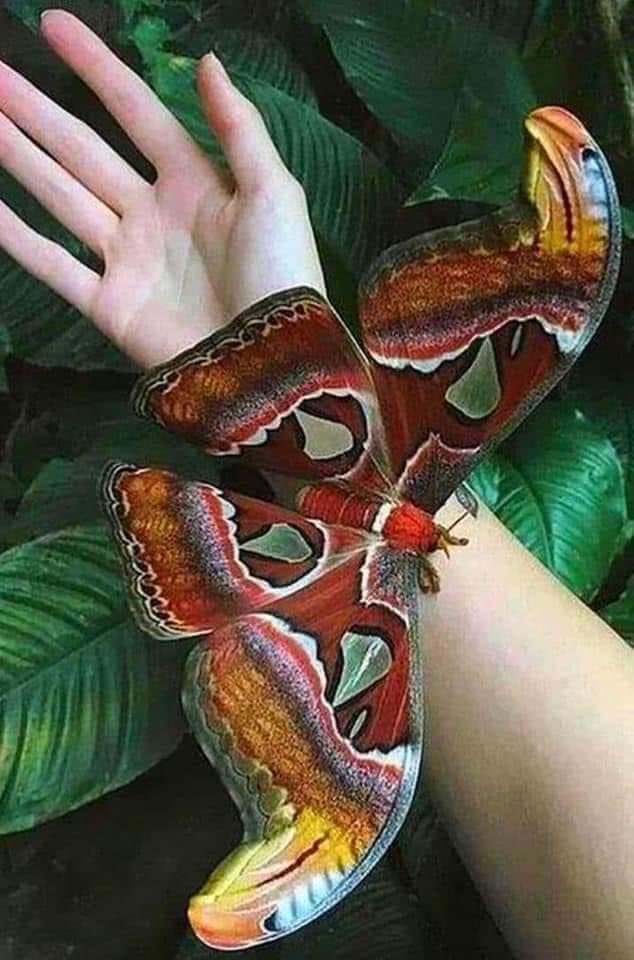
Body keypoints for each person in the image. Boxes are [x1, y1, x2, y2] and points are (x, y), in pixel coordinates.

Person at [0, 11, 632, 959]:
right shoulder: (426, 514)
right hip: (347, 482)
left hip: (337, 468)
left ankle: (226, 521)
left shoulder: (423, 512)